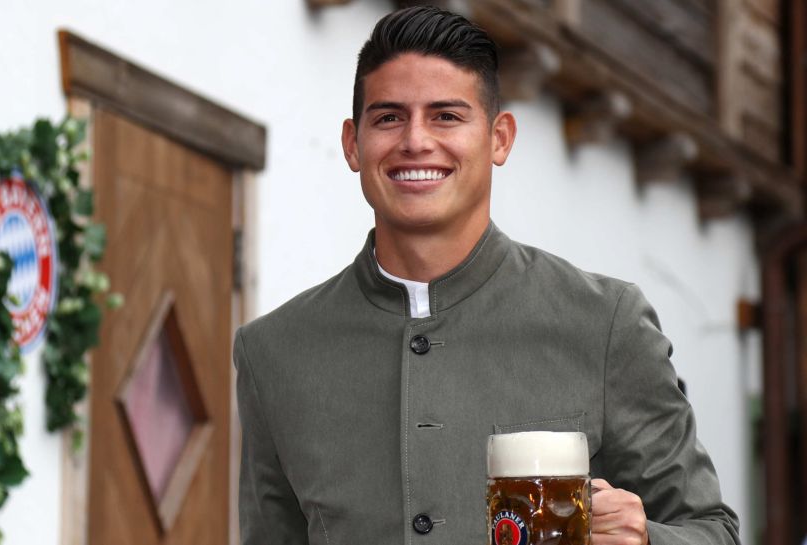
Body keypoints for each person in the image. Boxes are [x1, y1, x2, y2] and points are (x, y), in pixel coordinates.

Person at [234, 6, 740, 545]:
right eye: (388, 117)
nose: (415, 141)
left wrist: (645, 540)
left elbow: (714, 532)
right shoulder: (274, 353)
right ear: (352, 144)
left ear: (500, 138)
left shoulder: (606, 323)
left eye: (446, 116)